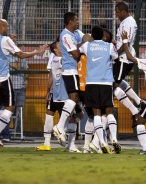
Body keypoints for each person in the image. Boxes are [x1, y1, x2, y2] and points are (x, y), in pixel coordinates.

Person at [0, 19, 47, 151]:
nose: (7, 29)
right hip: (2, 79)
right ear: (2, 26)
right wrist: (36, 52)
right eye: (6, 26)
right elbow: (21, 55)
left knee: (1, 108)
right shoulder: (5, 40)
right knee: (10, 107)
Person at [36, 40, 83, 152]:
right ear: (56, 50)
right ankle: (69, 143)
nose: (63, 47)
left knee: (50, 114)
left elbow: (51, 77)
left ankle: (47, 143)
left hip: (54, 93)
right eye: (60, 46)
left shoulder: (53, 60)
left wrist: (48, 91)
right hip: (65, 95)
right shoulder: (62, 60)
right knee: (74, 118)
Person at [79, 25, 119, 154]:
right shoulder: (109, 46)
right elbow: (115, 57)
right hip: (106, 82)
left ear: (92, 36)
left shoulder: (87, 46)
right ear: (102, 35)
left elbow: (78, 50)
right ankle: (113, 138)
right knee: (109, 112)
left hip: (91, 83)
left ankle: (101, 142)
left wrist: (86, 40)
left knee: (96, 113)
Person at [52, 12, 87, 146]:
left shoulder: (76, 33)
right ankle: (60, 127)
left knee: (76, 103)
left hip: (75, 72)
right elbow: (76, 55)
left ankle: (64, 133)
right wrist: (83, 46)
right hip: (69, 71)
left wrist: (89, 40)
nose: (78, 22)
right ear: (70, 22)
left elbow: (87, 37)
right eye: (76, 20)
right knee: (73, 99)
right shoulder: (66, 35)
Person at [114, 1, 143, 128]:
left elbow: (126, 44)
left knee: (113, 85)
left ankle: (135, 110)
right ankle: (139, 102)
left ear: (123, 11)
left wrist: (114, 53)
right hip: (122, 57)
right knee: (117, 82)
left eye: (117, 12)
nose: (116, 15)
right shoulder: (125, 22)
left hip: (124, 58)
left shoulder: (129, 22)